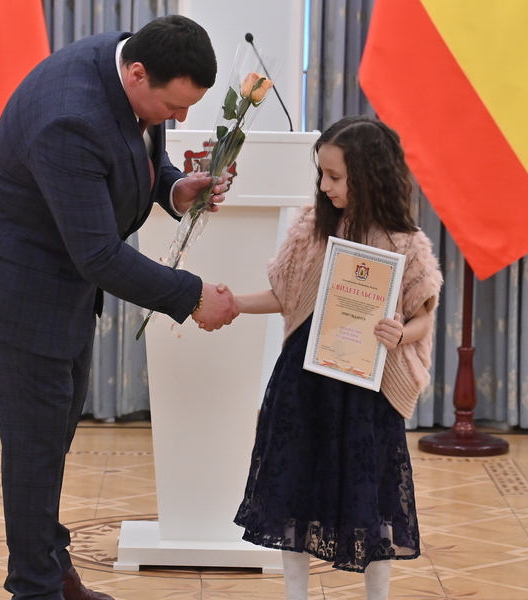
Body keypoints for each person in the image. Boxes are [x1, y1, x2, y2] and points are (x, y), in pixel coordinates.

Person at [0, 15, 238, 600]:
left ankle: (52, 570)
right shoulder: (69, 119)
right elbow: (99, 254)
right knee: (35, 447)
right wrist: (193, 296)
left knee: (51, 439)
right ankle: (36, 588)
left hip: (63, 281)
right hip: (21, 287)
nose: (179, 120)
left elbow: (131, 150)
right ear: (138, 74)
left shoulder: (122, 59)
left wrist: (172, 186)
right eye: (173, 108)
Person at [228, 116, 443, 600]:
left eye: (335, 176)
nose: (324, 186)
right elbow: (285, 295)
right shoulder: (310, 228)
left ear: (369, 176)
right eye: (321, 174)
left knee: (374, 496)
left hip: (368, 392)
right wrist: (232, 303)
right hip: (304, 380)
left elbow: (423, 316)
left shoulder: (404, 242)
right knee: (292, 486)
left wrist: (400, 332)